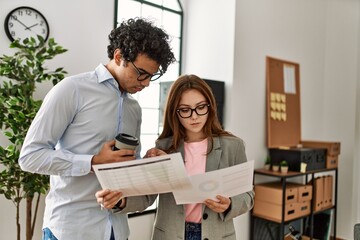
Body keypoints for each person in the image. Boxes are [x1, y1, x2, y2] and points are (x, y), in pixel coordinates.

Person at [19, 17, 175, 240]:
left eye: (152, 76)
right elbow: (30, 157)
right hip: (71, 230)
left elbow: (127, 167)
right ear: (119, 56)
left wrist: (150, 163)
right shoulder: (72, 90)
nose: (147, 82)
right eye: (142, 73)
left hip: (118, 230)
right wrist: (92, 162)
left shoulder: (134, 108)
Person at [96, 74, 255, 240]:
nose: (194, 116)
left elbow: (248, 196)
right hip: (170, 234)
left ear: (210, 106)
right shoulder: (163, 148)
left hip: (217, 234)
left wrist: (229, 204)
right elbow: (146, 197)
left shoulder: (233, 146)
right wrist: (118, 200)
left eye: (201, 107)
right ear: (175, 112)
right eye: (185, 110)